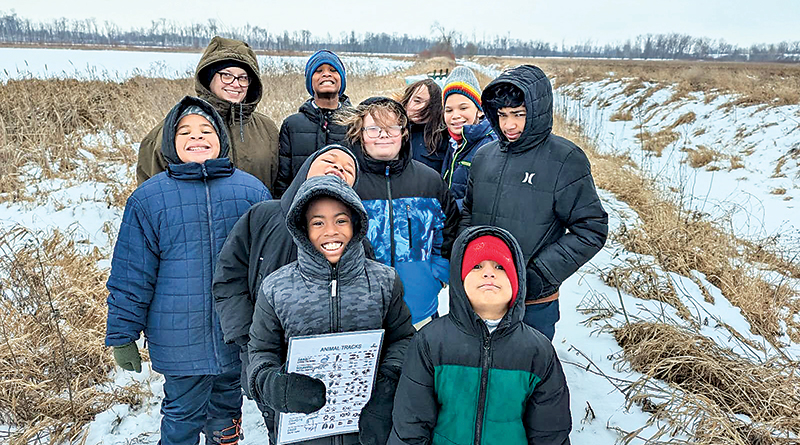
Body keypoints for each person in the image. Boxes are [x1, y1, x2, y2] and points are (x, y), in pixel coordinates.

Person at [106, 96, 271, 445]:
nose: (197, 137)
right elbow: (132, 273)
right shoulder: (149, 199)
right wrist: (122, 333)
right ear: (170, 142)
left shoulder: (251, 190)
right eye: (185, 132)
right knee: (181, 415)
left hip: (235, 332)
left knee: (227, 412)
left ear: (221, 139)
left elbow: (267, 265)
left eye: (206, 130)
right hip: (179, 336)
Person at [213, 144, 370, 434]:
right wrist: (246, 335)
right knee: (280, 427)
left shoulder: (356, 236)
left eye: (348, 170)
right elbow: (228, 278)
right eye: (330, 161)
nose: (339, 168)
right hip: (268, 356)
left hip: (328, 360)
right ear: (306, 167)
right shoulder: (262, 216)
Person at [247, 174, 415, 445]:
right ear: (302, 229)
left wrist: (389, 379)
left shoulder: (385, 280)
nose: (331, 231)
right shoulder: (276, 288)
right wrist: (274, 385)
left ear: (356, 224)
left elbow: (403, 338)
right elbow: (261, 352)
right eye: (318, 223)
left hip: (369, 427)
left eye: (341, 220)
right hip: (302, 431)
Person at [460, 64, 608, 340]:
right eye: (502, 115)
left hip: (533, 303)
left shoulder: (565, 159)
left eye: (519, 114)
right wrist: (467, 260)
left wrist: (539, 273)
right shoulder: (484, 156)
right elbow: (469, 210)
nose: (509, 125)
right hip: (480, 293)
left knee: (525, 376)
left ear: (537, 112)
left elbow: (591, 228)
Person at [389, 226, 572, 444]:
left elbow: (550, 433)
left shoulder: (537, 351)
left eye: (499, 266)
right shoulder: (430, 342)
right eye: (476, 266)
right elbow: (411, 423)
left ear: (516, 282)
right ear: (460, 281)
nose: (489, 273)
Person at [338, 97, 460, 328]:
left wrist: (438, 275)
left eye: (391, 128)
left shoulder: (429, 181)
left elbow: (449, 231)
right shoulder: (348, 183)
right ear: (360, 134)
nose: (383, 135)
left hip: (419, 311)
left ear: (403, 133)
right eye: (373, 129)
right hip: (360, 314)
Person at [137, 36, 280, 190]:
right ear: (208, 78)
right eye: (226, 75)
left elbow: (280, 186)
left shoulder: (267, 129)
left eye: (243, 78)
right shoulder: (171, 129)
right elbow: (151, 196)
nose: (236, 83)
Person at [274, 50, 350, 197]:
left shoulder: (354, 123)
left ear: (342, 80)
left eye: (333, 70)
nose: (326, 74)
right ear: (310, 81)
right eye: (318, 71)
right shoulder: (292, 125)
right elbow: (283, 179)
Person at [440, 66, 497, 210]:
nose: (455, 115)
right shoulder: (453, 143)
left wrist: (448, 210)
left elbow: (486, 199)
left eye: (463, 108)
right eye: (449, 110)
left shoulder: (489, 144)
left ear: (479, 110)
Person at [398, 79, 449, 173]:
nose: (421, 108)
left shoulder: (442, 138)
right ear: (407, 101)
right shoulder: (390, 133)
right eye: (417, 101)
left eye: (429, 106)